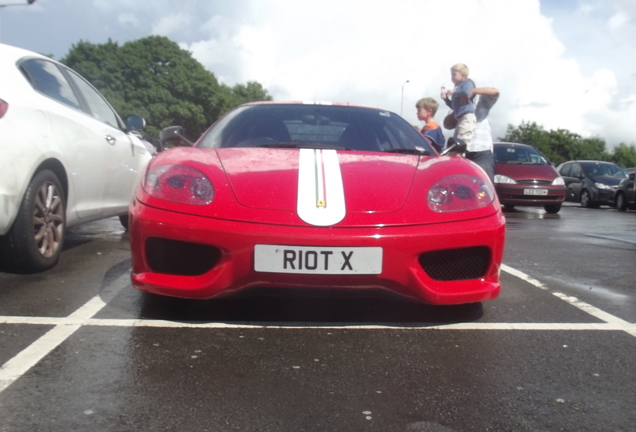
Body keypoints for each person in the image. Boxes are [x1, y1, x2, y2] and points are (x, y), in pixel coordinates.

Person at [466, 86, 500, 182]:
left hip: (482, 150)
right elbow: (447, 124)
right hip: (464, 151)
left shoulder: (481, 99)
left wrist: (473, 91)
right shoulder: (458, 102)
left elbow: (496, 91)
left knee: (485, 184)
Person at [442, 63, 476, 150]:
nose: (452, 77)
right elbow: (454, 106)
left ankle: (461, 157)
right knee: (456, 141)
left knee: (462, 141)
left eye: (454, 74)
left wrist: (454, 92)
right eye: (451, 75)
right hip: (460, 117)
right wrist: (446, 99)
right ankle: (457, 156)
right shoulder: (457, 87)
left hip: (466, 116)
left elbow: (466, 92)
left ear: (463, 75)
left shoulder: (467, 83)